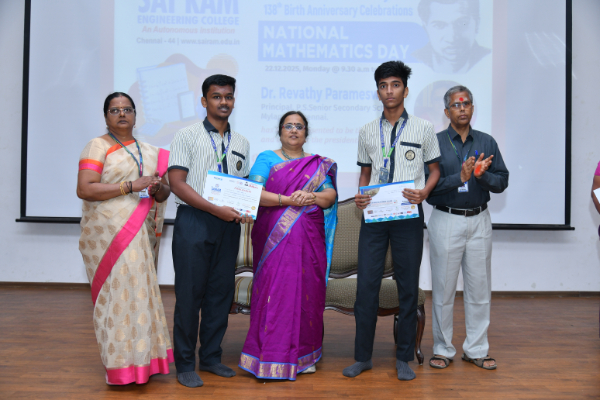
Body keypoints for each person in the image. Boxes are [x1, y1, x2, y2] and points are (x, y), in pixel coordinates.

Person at [344, 61, 441, 381]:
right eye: (384, 86)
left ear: (405, 90)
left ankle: (403, 358)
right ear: (378, 92)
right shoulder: (366, 131)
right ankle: (362, 357)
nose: (389, 91)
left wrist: (424, 192)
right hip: (374, 216)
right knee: (366, 287)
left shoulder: (424, 128)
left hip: (408, 214)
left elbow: (435, 170)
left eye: (395, 85)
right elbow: (365, 172)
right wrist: (360, 195)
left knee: (408, 287)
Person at [77, 92, 173, 385]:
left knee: (140, 294)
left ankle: (143, 362)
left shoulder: (150, 151)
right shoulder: (97, 146)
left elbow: (164, 193)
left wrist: (156, 189)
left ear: (135, 115)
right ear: (106, 116)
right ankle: (119, 366)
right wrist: (130, 186)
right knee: (117, 297)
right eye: (114, 110)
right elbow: (85, 189)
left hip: (140, 232)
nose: (122, 114)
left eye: (127, 109)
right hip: (108, 234)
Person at [238, 111, 337, 380]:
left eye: (299, 126)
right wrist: (288, 200)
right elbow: (255, 193)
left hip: (308, 243)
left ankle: (305, 356)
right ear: (280, 131)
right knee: (274, 292)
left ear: (306, 132)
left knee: (306, 294)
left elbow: (330, 196)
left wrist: (311, 196)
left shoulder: (317, 164)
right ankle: (267, 355)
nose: (294, 130)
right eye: (288, 126)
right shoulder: (266, 158)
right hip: (273, 240)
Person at [168, 74, 251, 388]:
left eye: (228, 96)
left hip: (228, 227)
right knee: (190, 295)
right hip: (194, 222)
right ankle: (185, 364)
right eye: (217, 97)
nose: (223, 102)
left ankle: (212, 357)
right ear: (204, 101)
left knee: (220, 294)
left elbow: (242, 185)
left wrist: (244, 208)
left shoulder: (241, 142)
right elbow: (177, 183)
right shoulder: (186, 136)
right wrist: (216, 209)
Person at [426, 85, 508, 370]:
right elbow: (426, 188)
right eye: (456, 105)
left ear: (472, 108)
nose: (462, 108)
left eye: (466, 104)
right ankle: (442, 349)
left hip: (479, 220)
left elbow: (502, 181)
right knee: (443, 289)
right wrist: (459, 178)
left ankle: (476, 349)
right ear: (446, 111)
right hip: (446, 219)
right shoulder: (434, 143)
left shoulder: (486, 142)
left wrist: (482, 177)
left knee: (479, 289)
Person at [412, 0, 491, 74]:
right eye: (439, 25)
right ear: (425, 29)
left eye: (462, 23)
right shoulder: (413, 59)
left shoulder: (490, 57)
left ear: (477, 25)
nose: (451, 39)